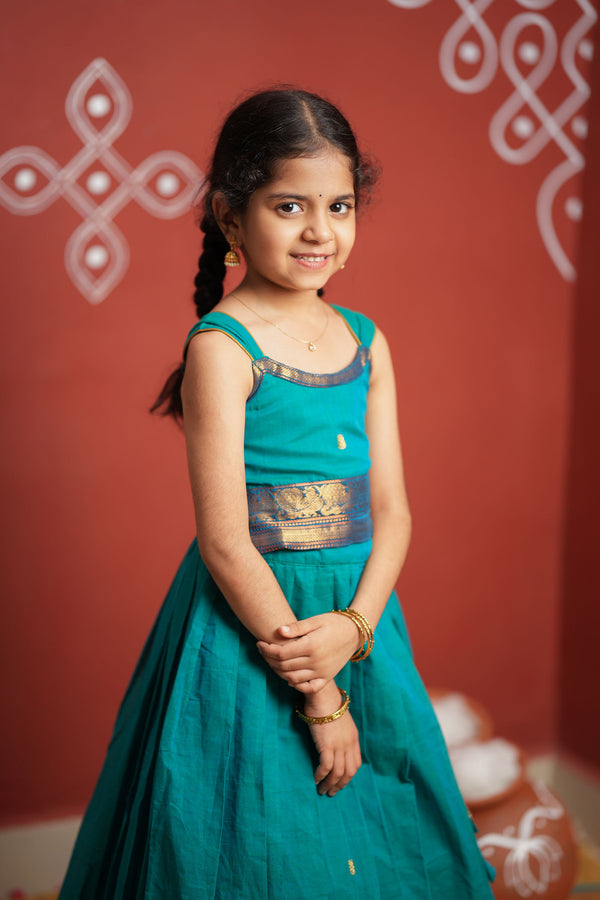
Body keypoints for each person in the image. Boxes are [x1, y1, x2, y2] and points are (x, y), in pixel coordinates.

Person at [58, 88, 494, 899]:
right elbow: (225, 540)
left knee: (387, 840)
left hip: (356, 625)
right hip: (256, 631)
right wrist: (321, 690)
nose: (319, 231)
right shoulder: (224, 347)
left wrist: (355, 631)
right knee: (256, 845)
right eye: (289, 205)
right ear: (231, 217)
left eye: (340, 206)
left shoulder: (367, 342)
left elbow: (393, 511)